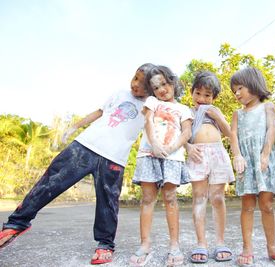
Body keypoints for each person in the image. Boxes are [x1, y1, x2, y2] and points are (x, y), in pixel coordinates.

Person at [0, 63, 155, 265]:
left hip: (114, 158)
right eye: (135, 78)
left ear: (151, 89)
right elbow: (98, 113)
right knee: (50, 181)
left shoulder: (151, 106)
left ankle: (105, 244)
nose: (135, 85)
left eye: (142, 84)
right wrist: (73, 126)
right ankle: (16, 223)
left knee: (108, 203)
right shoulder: (119, 93)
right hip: (84, 145)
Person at [129, 65, 192, 267]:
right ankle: (144, 244)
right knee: (147, 199)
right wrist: (155, 145)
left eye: (164, 84)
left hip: (172, 158)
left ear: (172, 82)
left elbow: (186, 133)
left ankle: (174, 245)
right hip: (149, 154)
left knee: (170, 198)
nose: (161, 89)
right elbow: (147, 121)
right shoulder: (152, 102)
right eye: (156, 87)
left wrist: (171, 147)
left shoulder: (183, 109)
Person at [230, 67, 275, 267]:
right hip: (246, 163)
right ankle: (247, 248)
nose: (237, 94)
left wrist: (265, 155)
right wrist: (237, 155)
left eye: (239, 88)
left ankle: (272, 247)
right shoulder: (237, 113)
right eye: (234, 91)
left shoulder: (268, 107)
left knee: (267, 206)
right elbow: (233, 136)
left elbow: (271, 130)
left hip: (264, 160)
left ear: (253, 85)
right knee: (247, 207)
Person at [185, 71, 235, 264]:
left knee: (217, 198)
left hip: (217, 154)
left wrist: (219, 117)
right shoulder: (187, 112)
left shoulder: (215, 111)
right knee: (199, 198)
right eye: (198, 93)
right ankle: (201, 243)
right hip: (197, 155)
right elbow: (183, 135)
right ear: (192, 92)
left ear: (213, 97)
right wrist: (188, 146)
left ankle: (220, 241)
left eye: (207, 95)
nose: (202, 99)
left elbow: (230, 134)